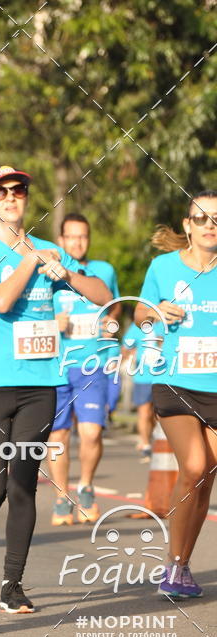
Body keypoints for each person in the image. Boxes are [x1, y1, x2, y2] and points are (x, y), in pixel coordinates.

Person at [0, 166, 112, 612]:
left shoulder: (51, 250)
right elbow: (1, 301)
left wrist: (69, 276)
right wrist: (29, 261)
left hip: (41, 386)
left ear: (26, 198)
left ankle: (12, 584)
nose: (9, 197)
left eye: (17, 190)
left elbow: (101, 294)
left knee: (23, 485)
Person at [134, 189, 217, 598]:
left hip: (216, 386)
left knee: (205, 481)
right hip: (175, 381)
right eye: (201, 218)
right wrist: (155, 311)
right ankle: (173, 564)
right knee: (196, 465)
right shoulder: (164, 267)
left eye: (216, 219)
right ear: (188, 225)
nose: (209, 225)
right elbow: (138, 312)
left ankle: (182, 564)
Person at [46, 213, 121, 525]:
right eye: (71, 236)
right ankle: (62, 497)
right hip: (57, 363)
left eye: (83, 236)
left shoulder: (103, 271)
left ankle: (86, 487)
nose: (77, 242)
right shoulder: (48, 270)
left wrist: (109, 320)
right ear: (61, 240)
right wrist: (52, 324)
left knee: (91, 432)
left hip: (93, 363)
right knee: (58, 435)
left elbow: (115, 303)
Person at [121, 318, 162, 460]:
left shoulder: (167, 324)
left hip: (163, 377)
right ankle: (145, 444)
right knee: (144, 412)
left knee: (158, 415)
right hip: (143, 377)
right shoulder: (137, 326)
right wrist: (131, 354)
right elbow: (126, 348)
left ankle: (158, 442)